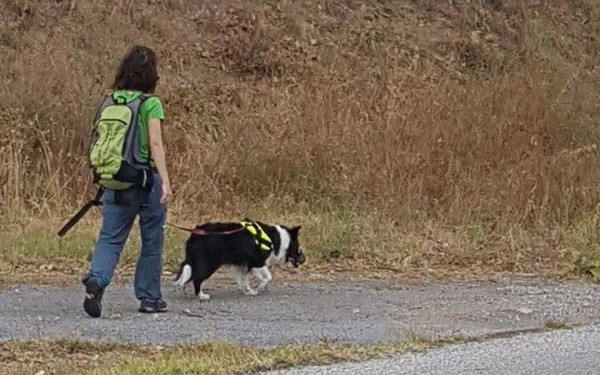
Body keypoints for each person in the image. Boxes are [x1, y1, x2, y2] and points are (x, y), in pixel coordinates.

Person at [81, 45, 172, 318]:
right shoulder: (150, 103)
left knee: (110, 237)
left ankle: (96, 280)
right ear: (151, 75)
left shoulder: (109, 102)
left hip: (115, 179)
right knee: (152, 238)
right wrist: (165, 180)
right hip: (144, 179)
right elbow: (155, 143)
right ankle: (149, 297)